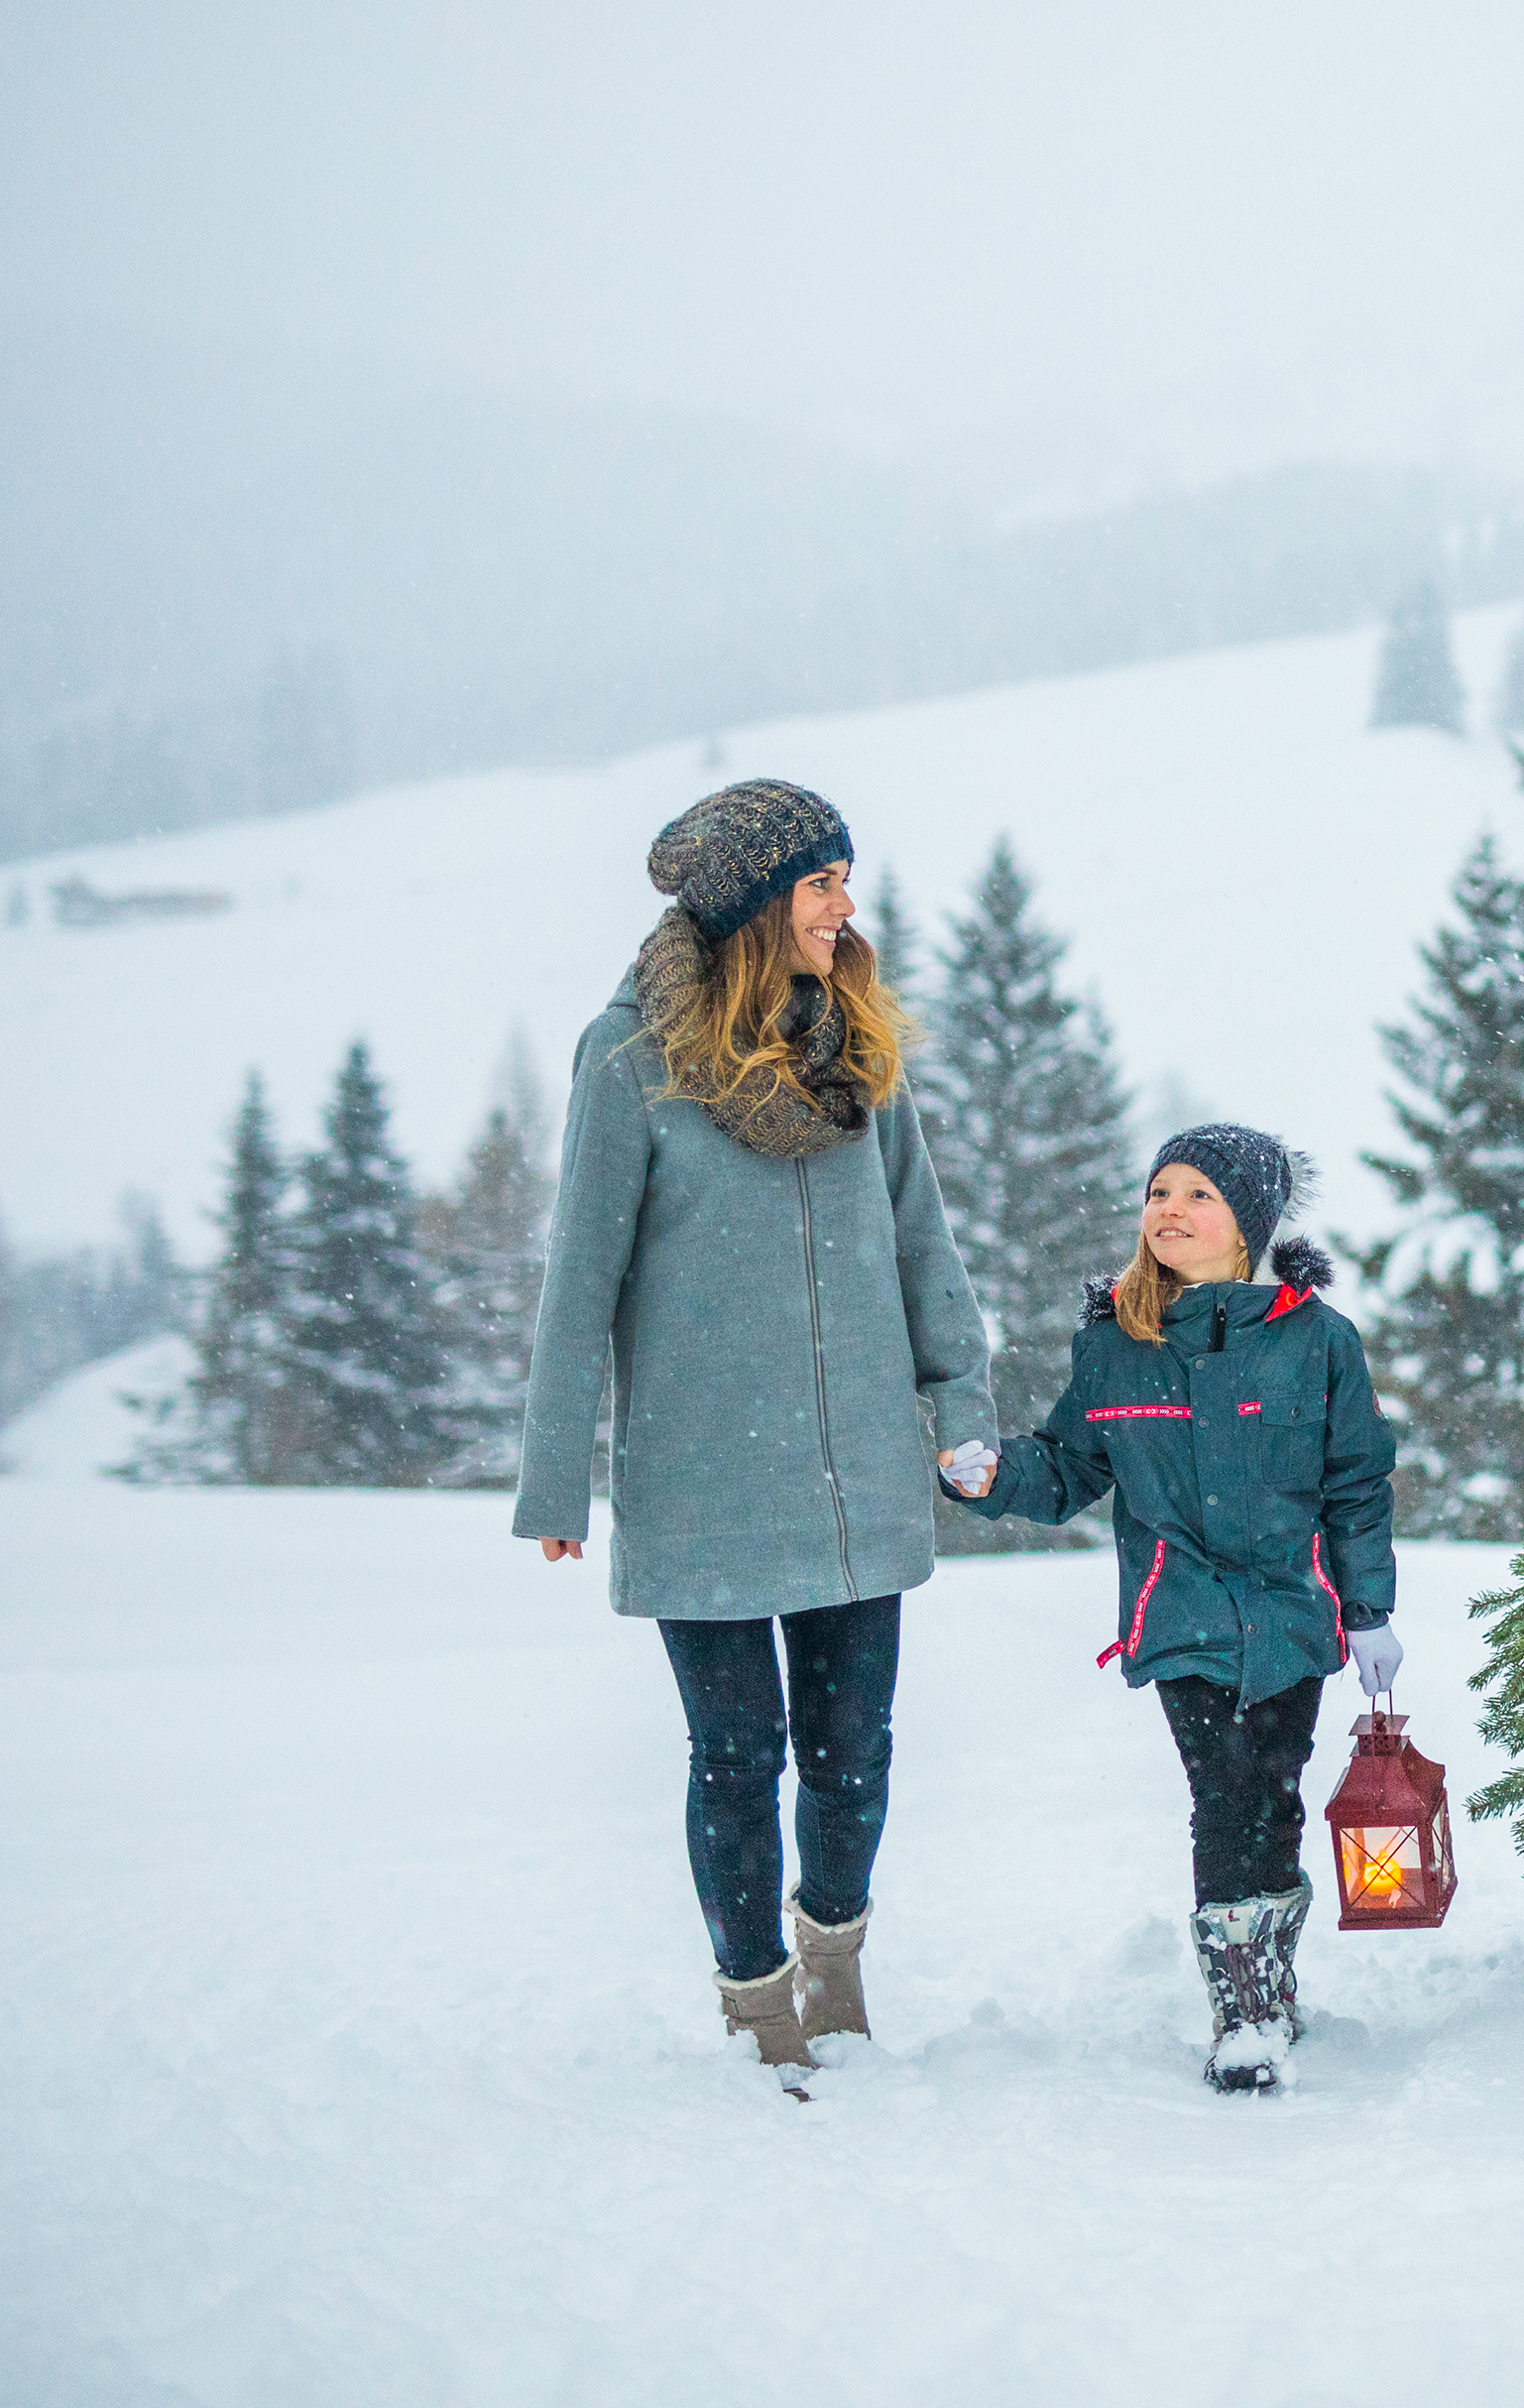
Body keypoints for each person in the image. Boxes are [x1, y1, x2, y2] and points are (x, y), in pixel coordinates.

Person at [514, 780, 999, 2078]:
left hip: (857, 1474)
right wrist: (557, 1472)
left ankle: (832, 1944)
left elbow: (923, 1245)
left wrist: (964, 1406)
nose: (847, 905)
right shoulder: (627, 1061)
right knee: (736, 1753)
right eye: (823, 882)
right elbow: (582, 1280)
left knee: (854, 1754)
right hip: (706, 1474)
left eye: (846, 880)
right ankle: (758, 2001)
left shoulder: (858, 1049)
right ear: (752, 905)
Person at [942, 1126, 1400, 2095]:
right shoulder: (1117, 1345)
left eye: (1197, 1195)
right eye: (1159, 1193)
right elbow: (1068, 1469)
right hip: (1180, 1612)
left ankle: (1271, 1989)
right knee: (1223, 1794)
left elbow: (1357, 1484)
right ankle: (1240, 2014)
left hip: (1289, 1614)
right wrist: (989, 1474)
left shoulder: (1317, 1342)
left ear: (1247, 1225)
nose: (1169, 1211)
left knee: (1275, 1797)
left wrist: (1366, 1610)